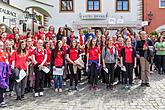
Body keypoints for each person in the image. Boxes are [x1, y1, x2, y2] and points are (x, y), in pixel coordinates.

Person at [0, 41, 9, 107]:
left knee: (2, 87)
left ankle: (1, 100)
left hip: (2, 74)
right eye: (0, 45)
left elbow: (7, 63)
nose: (1, 47)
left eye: (2, 46)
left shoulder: (4, 54)